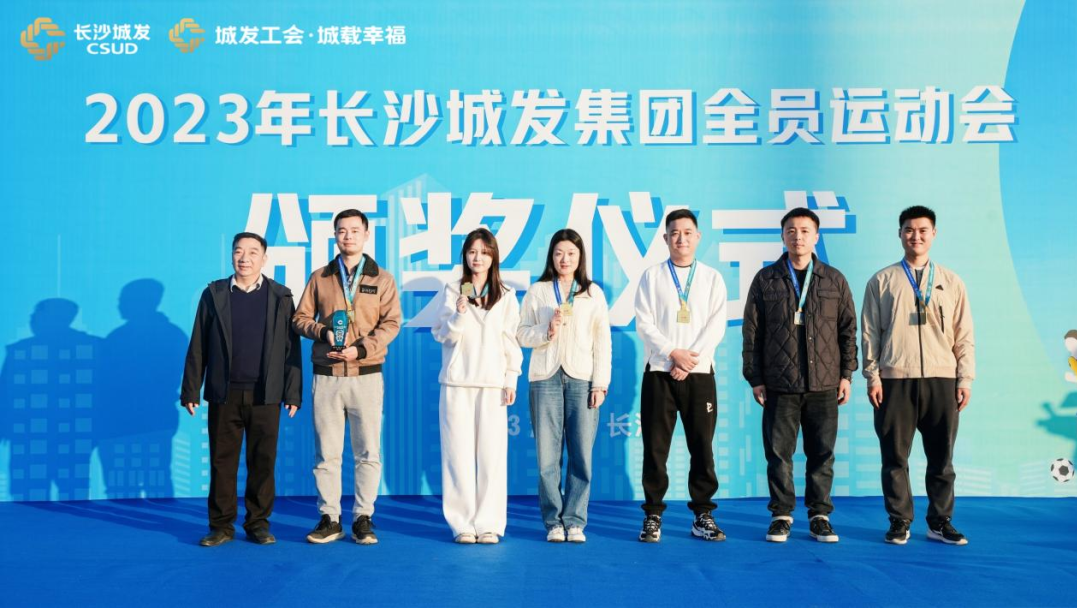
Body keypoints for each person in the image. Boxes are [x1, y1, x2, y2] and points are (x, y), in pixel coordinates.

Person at [741, 207, 857, 543]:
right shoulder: (766, 279)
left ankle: (820, 515)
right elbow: (752, 332)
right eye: (791, 230)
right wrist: (755, 377)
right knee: (779, 455)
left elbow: (848, 330)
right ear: (782, 236)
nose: (798, 236)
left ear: (816, 236)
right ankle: (781, 515)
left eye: (805, 231)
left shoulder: (834, 279)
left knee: (822, 454)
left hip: (824, 383)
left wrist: (846, 374)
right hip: (780, 383)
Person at [861, 205, 975, 546]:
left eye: (923, 230)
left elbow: (964, 335)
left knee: (942, 458)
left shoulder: (951, 282)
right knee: (894, 457)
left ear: (934, 234)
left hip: (943, 380)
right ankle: (899, 520)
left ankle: (940, 522)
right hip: (895, 380)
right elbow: (869, 333)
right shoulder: (882, 281)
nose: (916, 236)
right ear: (900, 234)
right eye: (909, 230)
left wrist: (965, 378)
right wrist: (873, 376)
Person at [181, 232, 302, 547]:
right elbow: (198, 343)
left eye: (252, 252)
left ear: (264, 258)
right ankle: (221, 526)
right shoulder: (215, 294)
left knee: (262, 462)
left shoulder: (281, 296)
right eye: (238, 251)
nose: (244, 258)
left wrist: (292, 392)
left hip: (266, 394)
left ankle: (258, 523)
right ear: (231, 255)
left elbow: (291, 348)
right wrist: (191, 389)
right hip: (225, 393)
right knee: (222, 462)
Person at [293, 209, 402, 545]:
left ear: (366, 235)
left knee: (368, 451)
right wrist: (324, 332)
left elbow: (392, 323)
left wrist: (362, 349)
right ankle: (330, 517)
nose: (348, 236)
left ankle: (363, 517)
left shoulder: (382, 279)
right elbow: (300, 318)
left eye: (355, 230)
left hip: (366, 375)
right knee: (327, 452)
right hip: (326, 375)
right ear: (335, 236)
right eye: (342, 231)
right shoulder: (320, 277)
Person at [633, 209, 728, 543]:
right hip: (659, 373)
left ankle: (703, 514)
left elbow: (716, 325)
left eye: (688, 233)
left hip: (699, 375)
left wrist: (687, 361)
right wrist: (673, 352)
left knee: (702, 448)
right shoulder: (652, 276)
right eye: (674, 233)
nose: (681, 239)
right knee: (655, 448)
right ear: (665, 238)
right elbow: (644, 323)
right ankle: (653, 514)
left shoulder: (712, 278)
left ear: (698, 237)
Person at [518, 229, 612, 543]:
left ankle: (574, 521)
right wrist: (547, 331)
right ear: (551, 256)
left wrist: (600, 383)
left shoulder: (592, 293)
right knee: (547, 457)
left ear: (580, 257)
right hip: (544, 378)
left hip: (582, 378)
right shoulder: (538, 291)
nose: (564, 259)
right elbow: (521, 333)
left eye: (571, 253)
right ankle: (553, 522)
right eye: (559, 253)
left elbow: (602, 342)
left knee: (581, 455)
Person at [433, 228, 523, 544]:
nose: (478, 258)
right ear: (465, 256)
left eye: (484, 252)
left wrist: (511, 378)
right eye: (472, 252)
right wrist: (458, 314)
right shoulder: (453, 290)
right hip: (457, 382)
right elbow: (442, 334)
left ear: (493, 256)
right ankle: (461, 523)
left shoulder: (507, 295)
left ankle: (489, 523)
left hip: (493, 384)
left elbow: (510, 339)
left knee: (492, 457)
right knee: (456, 455)